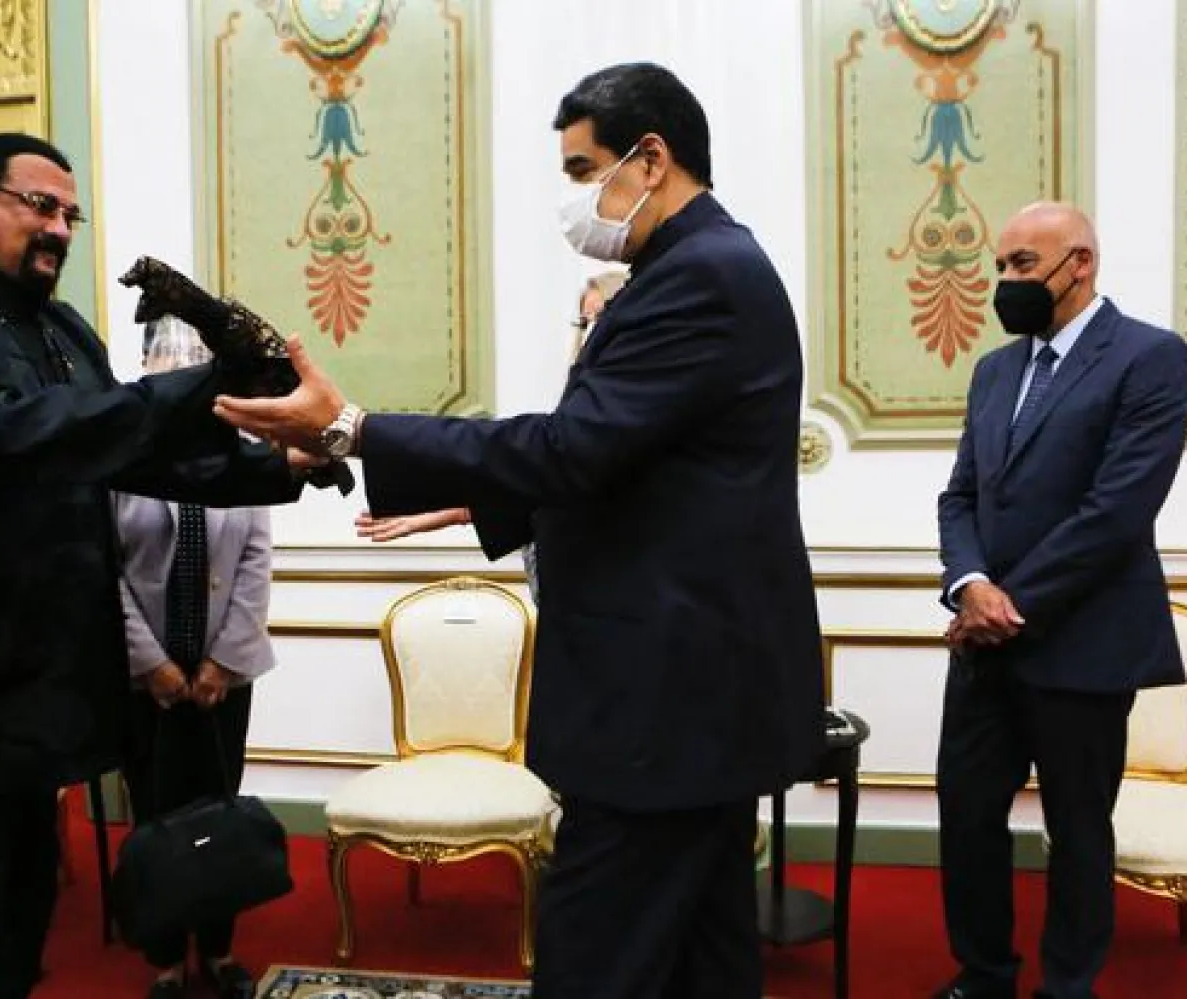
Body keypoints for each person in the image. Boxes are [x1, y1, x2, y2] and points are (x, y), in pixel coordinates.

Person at [213, 62, 825, 999]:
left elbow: (577, 446)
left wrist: (356, 428)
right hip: (694, 699)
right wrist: (479, 501)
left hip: (661, 709)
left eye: (585, 172)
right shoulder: (697, 267)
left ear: (649, 158)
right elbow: (636, 465)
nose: (576, 199)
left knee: (595, 958)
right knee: (704, 956)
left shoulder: (700, 277)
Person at [0, 133, 318, 999]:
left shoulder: (59, 329)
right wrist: (204, 385)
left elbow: (124, 450)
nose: (58, 228)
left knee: (20, 930)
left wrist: (277, 462)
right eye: (38, 206)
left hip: (29, 703)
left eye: (68, 213)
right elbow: (5, 434)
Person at [933, 202, 1187, 999]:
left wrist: (1008, 603)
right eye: (1001, 265)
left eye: (1021, 265)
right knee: (968, 817)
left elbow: (1116, 512)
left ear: (1078, 263)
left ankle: (1067, 987)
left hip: (1084, 643)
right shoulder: (995, 371)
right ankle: (984, 975)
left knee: (1079, 830)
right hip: (986, 647)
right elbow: (961, 498)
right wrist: (969, 585)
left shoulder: (1150, 357)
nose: (1004, 281)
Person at [114, 318, 278, 999]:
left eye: (194, 359)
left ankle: (215, 948)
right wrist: (149, 660)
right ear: (146, 364)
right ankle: (163, 957)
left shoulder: (241, 450)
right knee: (154, 813)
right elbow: (103, 570)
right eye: (167, 356)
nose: (180, 368)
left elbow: (256, 561)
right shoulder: (118, 455)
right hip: (141, 676)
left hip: (221, 675)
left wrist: (221, 662)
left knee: (218, 807)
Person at [352, 270, 628, 600]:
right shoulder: (582, 401)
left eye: (601, 319)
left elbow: (580, 489)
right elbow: (549, 488)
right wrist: (461, 510)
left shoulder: (628, 408)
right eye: (584, 323)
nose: (590, 333)